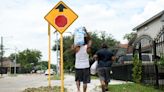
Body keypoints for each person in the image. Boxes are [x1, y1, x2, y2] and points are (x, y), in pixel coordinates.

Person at [72, 27, 92, 92]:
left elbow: (72, 48)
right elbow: (90, 40)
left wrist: (76, 35)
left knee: (77, 79)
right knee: (85, 81)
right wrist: (86, 32)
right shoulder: (87, 47)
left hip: (77, 66)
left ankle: (78, 90)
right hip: (86, 66)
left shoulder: (76, 48)